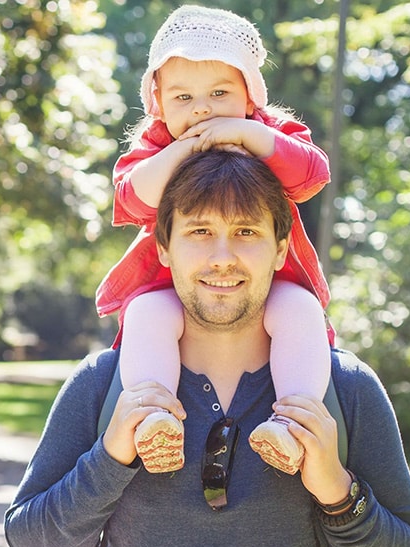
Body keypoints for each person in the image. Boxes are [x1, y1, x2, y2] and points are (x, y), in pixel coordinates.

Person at [4, 150, 410, 547]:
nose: (222, 257)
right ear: (164, 247)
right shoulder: (104, 386)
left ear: (280, 249)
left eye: (247, 232)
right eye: (200, 231)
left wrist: (336, 491)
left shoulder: (343, 388)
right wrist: (110, 459)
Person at [97, 5, 333, 475]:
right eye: (183, 97)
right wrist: (184, 149)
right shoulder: (158, 145)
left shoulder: (266, 132)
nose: (202, 109)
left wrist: (250, 135)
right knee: (146, 315)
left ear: (249, 96)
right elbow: (130, 199)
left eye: (219, 93)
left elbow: (313, 174)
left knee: (301, 312)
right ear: (158, 102)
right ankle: (154, 419)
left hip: (268, 276)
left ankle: (292, 427)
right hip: (176, 279)